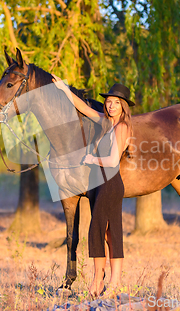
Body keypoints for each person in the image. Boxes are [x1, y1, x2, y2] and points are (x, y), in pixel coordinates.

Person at [51, 74, 134, 298]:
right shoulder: (106, 122)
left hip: (110, 182)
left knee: (106, 232)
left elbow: (113, 161)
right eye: (109, 101)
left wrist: (91, 160)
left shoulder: (122, 127)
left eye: (117, 102)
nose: (111, 104)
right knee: (101, 232)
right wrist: (63, 89)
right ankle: (100, 281)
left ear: (123, 106)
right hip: (99, 183)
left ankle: (111, 283)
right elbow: (84, 108)